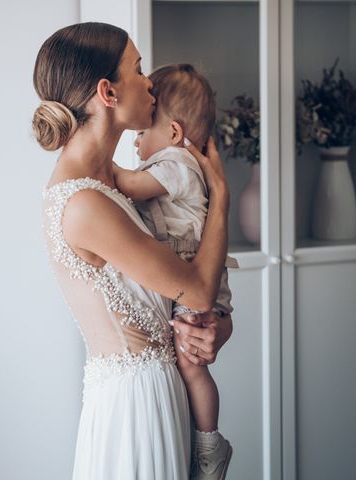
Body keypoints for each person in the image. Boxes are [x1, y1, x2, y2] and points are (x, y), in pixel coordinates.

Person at [33, 22, 232, 479]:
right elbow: (199, 290)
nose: (150, 84)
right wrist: (219, 196)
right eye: (139, 69)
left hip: (166, 390)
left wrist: (216, 328)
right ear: (108, 92)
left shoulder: (117, 184)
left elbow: (182, 296)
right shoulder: (83, 204)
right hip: (136, 406)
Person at [114, 63, 236, 479]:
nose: (135, 141)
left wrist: (97, 169)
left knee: (191, 365)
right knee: (190, 365)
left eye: (144, 132)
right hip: (195, 276)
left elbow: (129, 186)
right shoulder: (177, 163)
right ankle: (203, 439)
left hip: (197, 279)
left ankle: (209, 444)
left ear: (174, 134)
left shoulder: (176, 164)